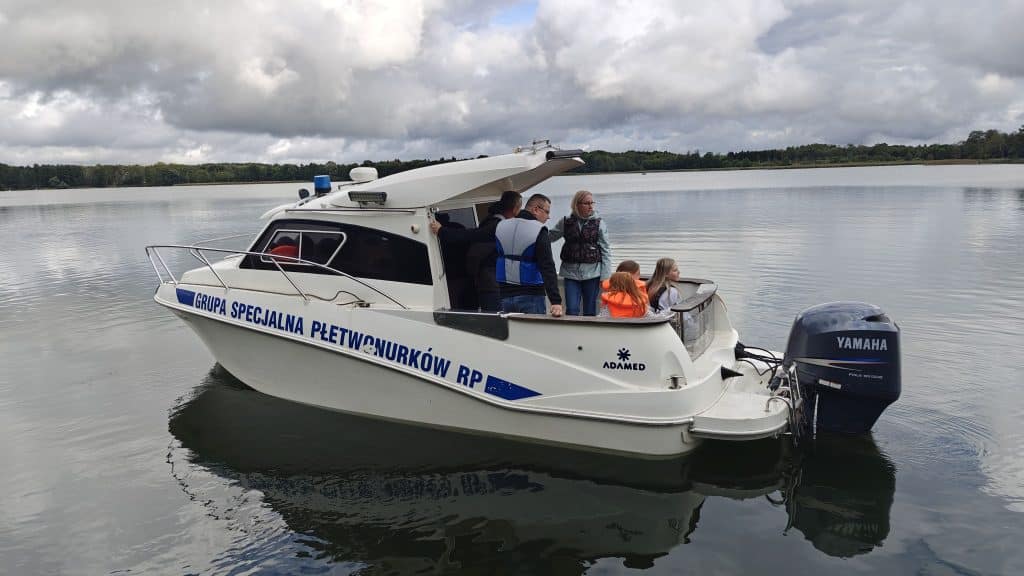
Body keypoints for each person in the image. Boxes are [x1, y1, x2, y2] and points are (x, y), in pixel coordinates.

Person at [430, 191, 521, 312]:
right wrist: (442, 231)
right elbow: (473, 237)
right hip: (492, 285)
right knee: (496, 323)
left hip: (493, 284)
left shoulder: (492, 221)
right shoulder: (498, 225)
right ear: (515, 209)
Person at [495, 193, 564, 317]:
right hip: (531, 295)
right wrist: (555, 301)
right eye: (547, 212)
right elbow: (547, 266)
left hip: (504, 295)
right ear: (536, 209)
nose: (548, 217)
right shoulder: (539, 230)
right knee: (535, 335)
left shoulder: (501, 226)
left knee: (513, 335)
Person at [549, 190, 611, 316]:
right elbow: (550, 237)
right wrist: (535, 231)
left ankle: (589, 335)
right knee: (572, 309)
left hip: (592, 274)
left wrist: (605, 276)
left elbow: (606, 250)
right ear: (577, 205)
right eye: (586, 203)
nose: (590, 206)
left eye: (592, 203)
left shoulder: (599, 223)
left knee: (589, 310)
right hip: (570, 274)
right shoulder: (565, 222)